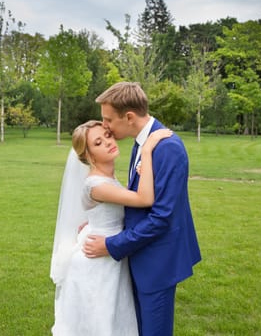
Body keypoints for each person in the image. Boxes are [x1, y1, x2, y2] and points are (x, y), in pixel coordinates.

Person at [83, 82, 202, 335]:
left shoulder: (167, 148)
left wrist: (111, 244)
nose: (105, 126)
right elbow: (138, 202)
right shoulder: (142, 143)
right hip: (140, 257)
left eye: (108, 120)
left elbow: (161, 218)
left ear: (129, 117)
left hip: (157, 263)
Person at [50, 120, 172, 335]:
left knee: (114, 320)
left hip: (111, 253)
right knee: (101, 322)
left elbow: (110, 212)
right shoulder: (97, 184)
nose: (108, 142)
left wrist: (92, 222)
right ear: (89, 155)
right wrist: (148, 149)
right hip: (98, 262)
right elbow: (144, 199)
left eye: (107, 135)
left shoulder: (107, 178)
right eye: (98, 142)